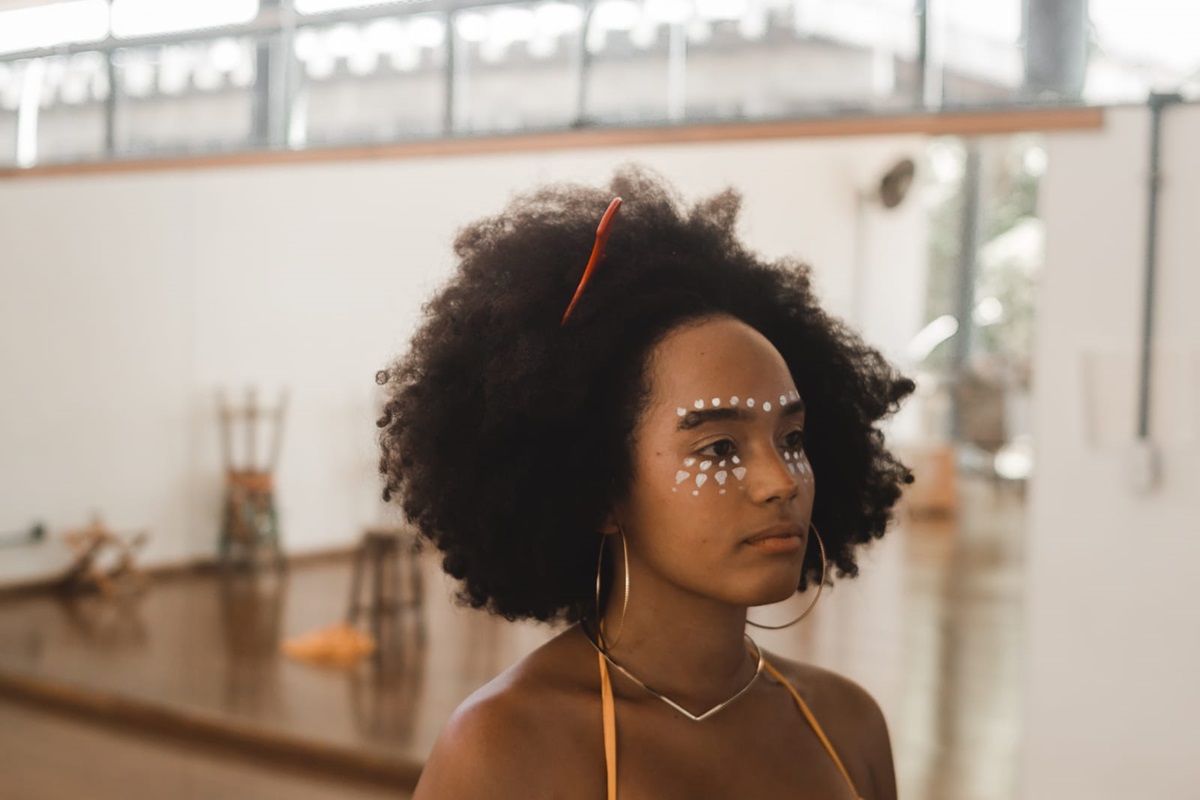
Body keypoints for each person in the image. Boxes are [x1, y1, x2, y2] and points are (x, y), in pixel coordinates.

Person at [377, 167, 913, 799]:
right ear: (601, 486)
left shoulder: (847, 726)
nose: (780, 482)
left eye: (792, 440)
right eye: (718, 447)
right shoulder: (505, 751)